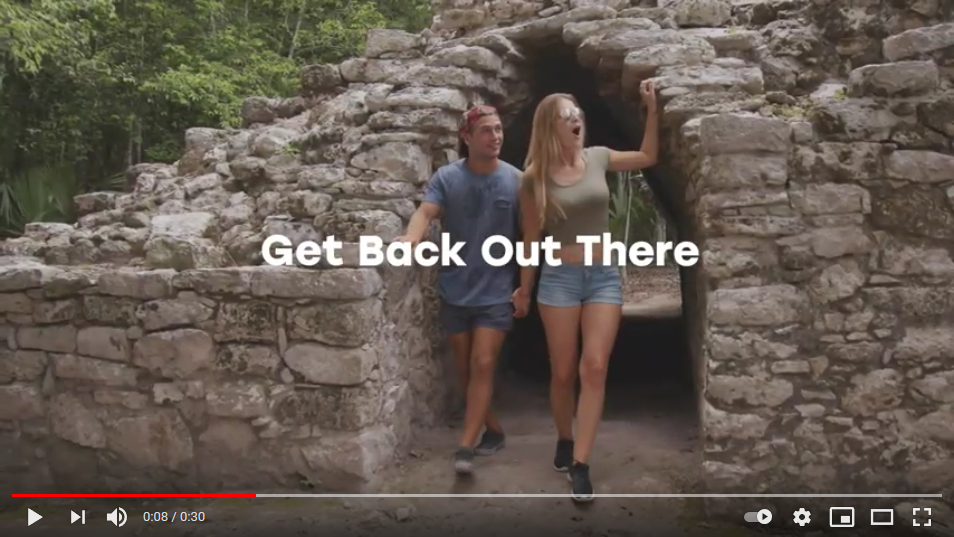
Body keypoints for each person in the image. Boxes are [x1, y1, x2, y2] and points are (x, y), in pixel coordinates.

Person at [513, 81, 659, 501]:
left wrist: (652, 110)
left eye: (577, 112)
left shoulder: (598, 158)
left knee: (593, 367)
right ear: (550, 127)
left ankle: (581, 463)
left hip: (603, 276)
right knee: (563, 371)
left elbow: (649, 157)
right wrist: (523, 290)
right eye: (566, 115)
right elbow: (529, 240)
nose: (576, 119)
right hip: (558, 278)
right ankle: (564, 435)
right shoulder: (534, 178)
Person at [395, 104, 530, 476]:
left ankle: (465, 446)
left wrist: (525, 286)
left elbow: (531, 235)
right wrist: (411, 236)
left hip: (496, 292)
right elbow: (426, 212)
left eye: (499, 129)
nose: (496, 136)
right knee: (468, 370)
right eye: (486, 130)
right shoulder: (448, 177)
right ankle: (495, 430)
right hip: (455, 288)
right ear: (467, 138)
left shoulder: (517, 181)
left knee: (483, 363)